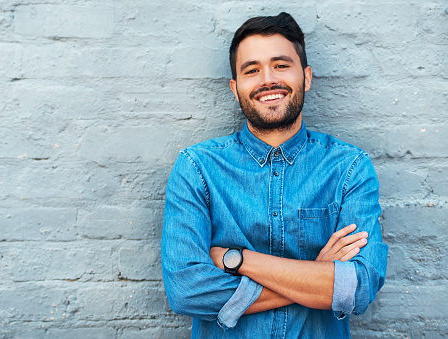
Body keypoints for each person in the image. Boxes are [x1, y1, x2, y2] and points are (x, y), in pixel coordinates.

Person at [161, 12, 388, 338]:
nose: (267, 79)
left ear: (306, 77)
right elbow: (186, 291)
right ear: (235, 87)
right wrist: (319, 276)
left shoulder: (349, 168)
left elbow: (359, 287)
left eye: (281, 65)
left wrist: (239, 260)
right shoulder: (198, 168)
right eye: (251, 70)